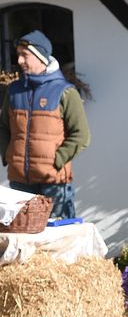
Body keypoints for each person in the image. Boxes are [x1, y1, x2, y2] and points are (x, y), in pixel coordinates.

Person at [0, 30, 90, 219]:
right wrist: (8, 153)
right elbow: (3, 127)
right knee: (26, 237)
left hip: (53, 182)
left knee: (57, 239)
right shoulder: (14, 91)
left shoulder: (65, 92)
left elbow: (81, 135)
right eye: (18, 55)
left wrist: (56, 161)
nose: (20, 61)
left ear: (41, 57)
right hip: (19, 183)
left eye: (25, 55)